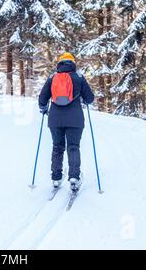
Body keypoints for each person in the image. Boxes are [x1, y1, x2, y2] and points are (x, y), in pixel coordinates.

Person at [38, 52, 94, 192]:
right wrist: (83, 99)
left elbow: (42, 99)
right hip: (75, 119)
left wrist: (44, 109)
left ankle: (56, 178)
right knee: (73, 147)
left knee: (57, 147)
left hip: (55, 119)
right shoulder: (79, 77)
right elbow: (90, 98)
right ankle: (74, 178)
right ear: (73, 63)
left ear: (60, 63)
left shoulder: (52, 78)